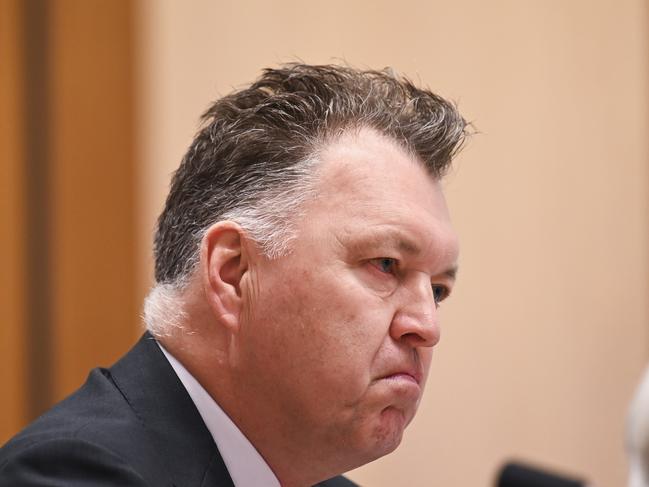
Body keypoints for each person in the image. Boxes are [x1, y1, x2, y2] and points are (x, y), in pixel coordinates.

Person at [0, 63, 468, 486]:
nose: (427, 327)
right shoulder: (72, 473)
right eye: (386, 265)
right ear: (233, 273)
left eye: (439, 290)